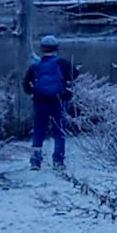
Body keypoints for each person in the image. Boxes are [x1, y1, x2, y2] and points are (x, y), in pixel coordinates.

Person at [26, 37, 76, 171]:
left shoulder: (36, 65)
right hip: (58, 102)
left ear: (42, 49)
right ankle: (58, 161)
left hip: (40, 103)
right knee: (59, 132)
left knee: (38, 132)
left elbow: (26, 85)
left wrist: (34, 92)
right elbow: (75, 74)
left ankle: (35, 161)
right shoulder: (63, 63)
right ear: (56, 49)